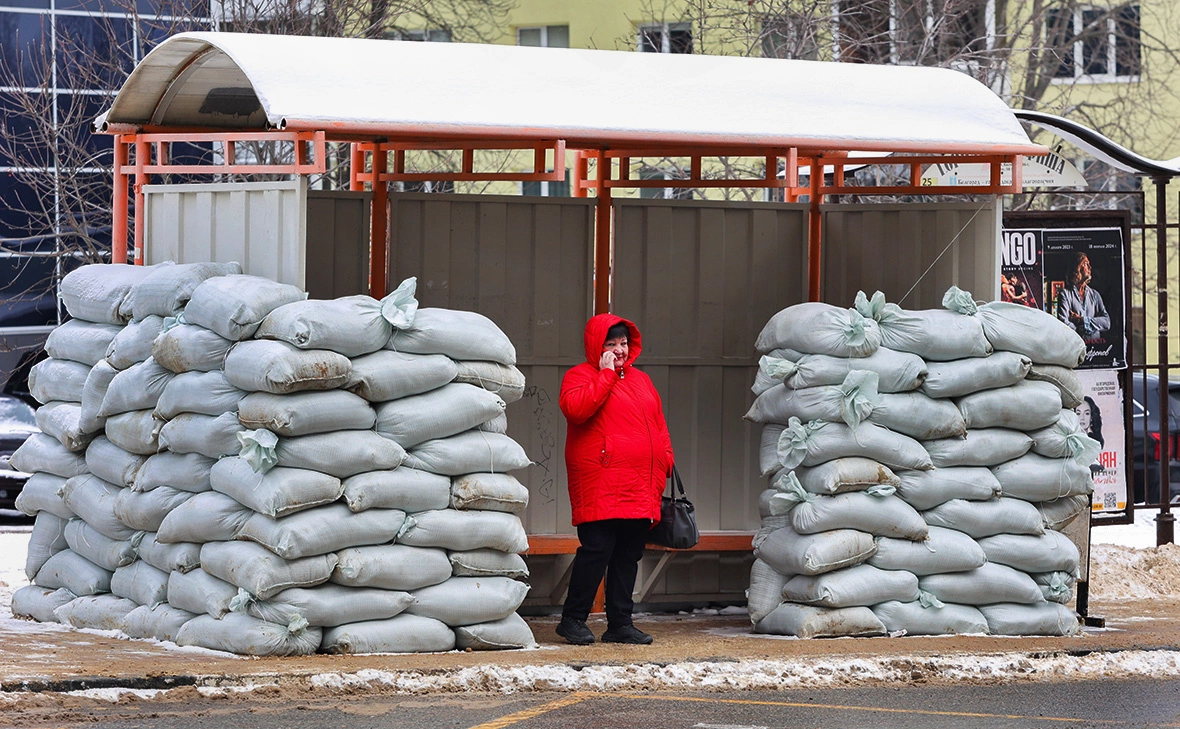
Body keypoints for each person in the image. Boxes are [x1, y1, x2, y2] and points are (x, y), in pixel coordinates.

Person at [556, 314, 674, 646]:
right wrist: (606, 375)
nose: (619, 350)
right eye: (611, 344)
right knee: (597, 549)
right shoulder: (579, 377)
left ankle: (620, 623)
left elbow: (658, 423)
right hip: (601, 480)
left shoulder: (642, 380)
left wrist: (666, 457)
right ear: (598, 346)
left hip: (640, 483)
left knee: (629, 553)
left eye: (623, 343)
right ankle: (573, 619)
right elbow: (576, 409)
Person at [1056, 252, 1111, 339]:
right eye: (1086, 264)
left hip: (1095, 349)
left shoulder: (1095, 295)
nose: (1090, 267)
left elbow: (1106, 322)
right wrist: (1085, 330)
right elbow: (1063, 323)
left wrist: (1081, 320)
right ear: (1077, 268)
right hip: (1076, 347)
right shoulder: (1065, 295)